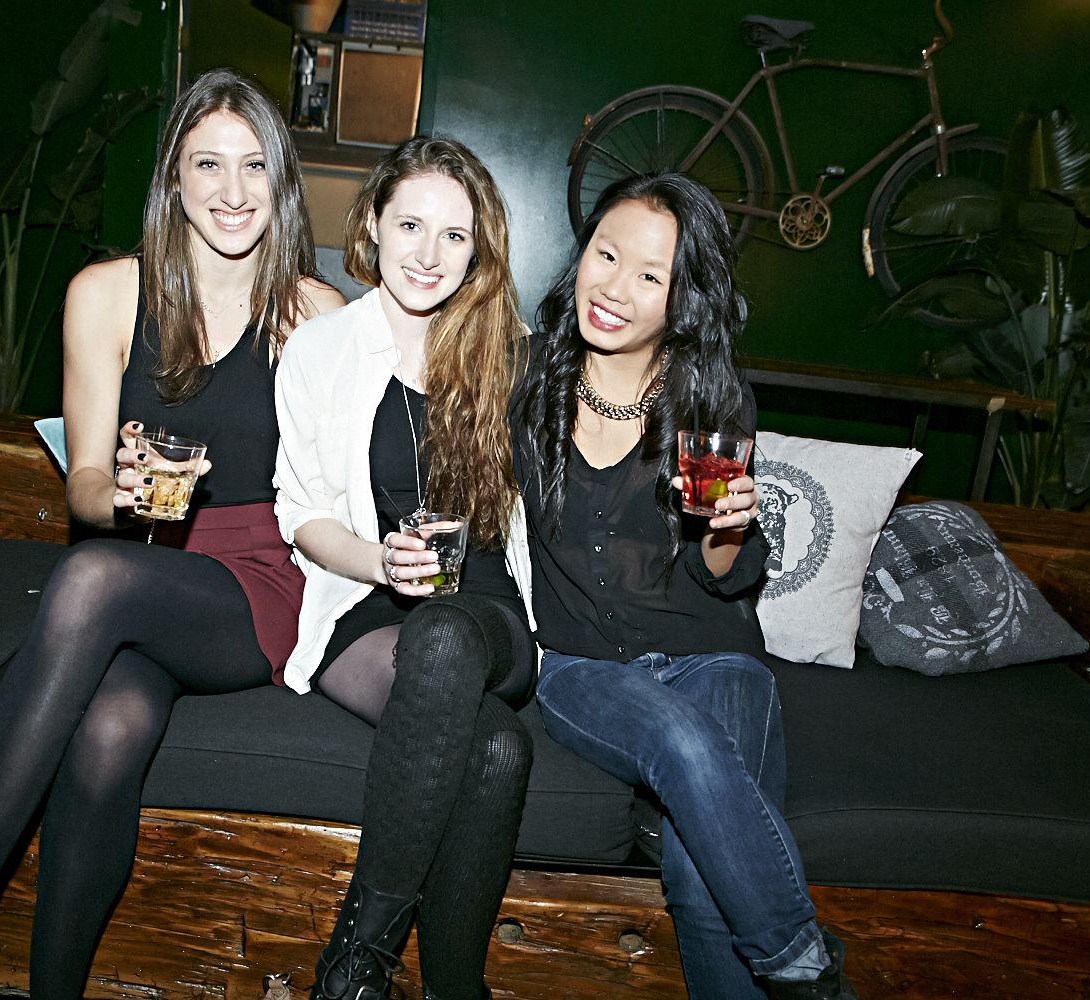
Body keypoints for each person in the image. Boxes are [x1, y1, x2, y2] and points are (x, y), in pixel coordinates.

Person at [0, 69, 344, 1000]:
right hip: (136, 560)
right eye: (207, 164)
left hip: (256, 581)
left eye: (255, 165)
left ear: (282, 181)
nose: (233, 191)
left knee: (94, 582)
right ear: (173, 181)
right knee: (109, 729)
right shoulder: (107, 293)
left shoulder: (314, 314)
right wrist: (134, 494)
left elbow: (337, 492)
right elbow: (89, 490)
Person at [512, 172, 859, 1000]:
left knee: (700, 881)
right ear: (580, 258)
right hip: (580, 665)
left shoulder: (709, 395)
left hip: (713, 655)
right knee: (685, 742)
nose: (617, 288)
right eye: (607, 255)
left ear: (680, 297)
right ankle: (808, 972)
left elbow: (722, 578)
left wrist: (730, 528)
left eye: (650, 275)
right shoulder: (525, 381)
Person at [274, 135, 533, 1000]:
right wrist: (380, 561)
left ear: (479, 248)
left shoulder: (510, 355)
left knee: (453, 638)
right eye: (411, 224)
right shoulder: (321, 350)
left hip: (485, 610)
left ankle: (356, 963)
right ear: (374, 225)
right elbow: (303, 515)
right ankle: (456, 988)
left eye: (454, 235)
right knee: (495, 749)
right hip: (368, 603)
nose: (429, 253)